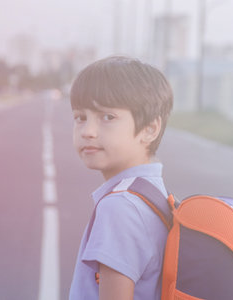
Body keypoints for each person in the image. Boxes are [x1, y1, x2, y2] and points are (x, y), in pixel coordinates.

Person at [69, 56, 174, 300]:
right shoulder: (151, 192)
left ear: (150, 128)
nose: (88, 131)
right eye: (80, 117)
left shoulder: (120, 207)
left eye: (107, 117)